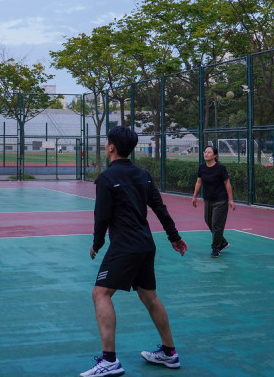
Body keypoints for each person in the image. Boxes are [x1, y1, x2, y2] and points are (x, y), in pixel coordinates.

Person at [81, 126, 188, 377]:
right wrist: (174, 237)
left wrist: (97, 242)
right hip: (145, 245)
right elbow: (160, 209)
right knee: (150, 297)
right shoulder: (143, 175)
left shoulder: (106, 178)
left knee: (100, 294)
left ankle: (109, 361)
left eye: (106, 141)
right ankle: (169, 352)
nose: (105, 144)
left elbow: (101, 216)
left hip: (126, 246)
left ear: (111, 147)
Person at [191, 145, 236, 258]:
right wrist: (194, 196)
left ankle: (216, 248)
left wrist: (231, 200)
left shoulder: (220, 168)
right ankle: (223, 242)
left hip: (220, 200)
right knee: (208, 221)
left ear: (215, 155)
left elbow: (227, 183)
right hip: (208, 200)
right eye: (205, 152)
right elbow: (199, 182)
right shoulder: (202, 167)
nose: (206, 154)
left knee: (216, 224)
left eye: (209, 152)